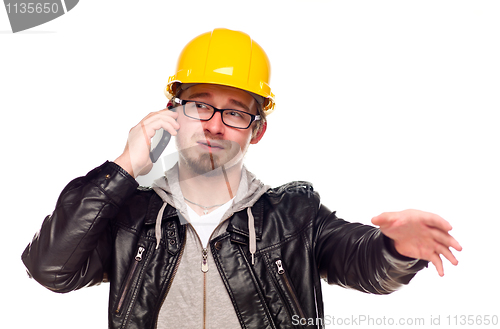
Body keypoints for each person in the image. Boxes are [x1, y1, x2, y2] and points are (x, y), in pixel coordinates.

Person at [22, 28, 462, 329]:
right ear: (174, 112)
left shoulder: (295, 216)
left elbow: (365, 263)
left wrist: (397, 248)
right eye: (199, 104)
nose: (214, 124)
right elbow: (50, 268)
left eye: (234, 111)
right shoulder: (130, 216)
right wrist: (123, 167)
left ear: (258, 129)